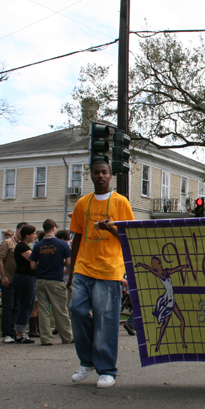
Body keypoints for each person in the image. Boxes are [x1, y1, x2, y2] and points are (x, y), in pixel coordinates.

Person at [67, 160, 134, 389]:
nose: (100, 176)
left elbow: (128, 236)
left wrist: (109, 228)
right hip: (83, 268)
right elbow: (76, 237)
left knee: (106, 319)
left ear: (110, 175)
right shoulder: (82, 203)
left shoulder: (120, 202)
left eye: (104, 172)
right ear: (92, 176)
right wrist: (70, 271)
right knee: (76, 310)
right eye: (96, 172)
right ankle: (87, 362)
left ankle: (106, 369)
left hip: (109, 270)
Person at [30, 219, 73, 346]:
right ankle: (67, 336)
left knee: (43, 310)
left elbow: (32, 265)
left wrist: (42, 264)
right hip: (56, 279)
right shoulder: (61, 244)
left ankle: (46, 338)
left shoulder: (38, 245)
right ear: (54, 228)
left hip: (41, 279)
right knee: (60, 309)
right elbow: (69, 263)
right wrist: (60, 262)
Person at [0, 226, 23, 343]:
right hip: (8, 279)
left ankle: (14, 331)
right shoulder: (7, 243)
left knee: (17, 307)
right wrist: (3, 276)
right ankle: (7, 333)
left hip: (18, 280)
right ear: (17, 230)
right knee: (8, 306)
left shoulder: (23, 245)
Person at [13, 224, 38, 343]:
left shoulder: (26, 246)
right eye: (34, 234)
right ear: (27, 235)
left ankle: (21, 331)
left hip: (29, 278)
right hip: (25, 278)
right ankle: (20, 333)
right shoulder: (21, 247)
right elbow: (33, 259)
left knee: (29, 305)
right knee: (26, 305)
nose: (35, 236)